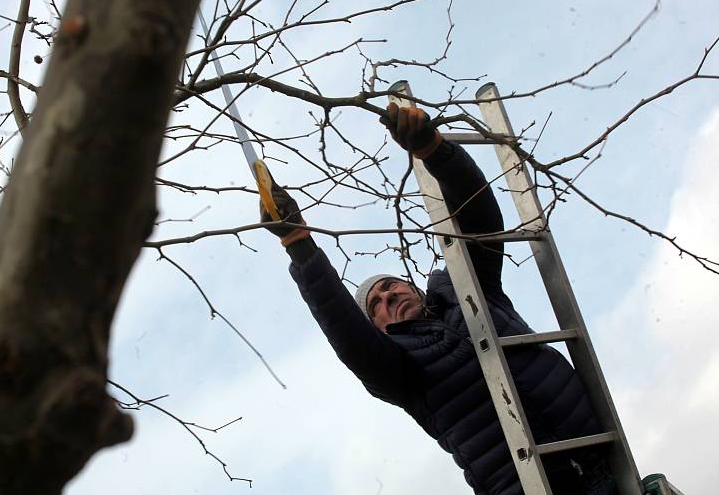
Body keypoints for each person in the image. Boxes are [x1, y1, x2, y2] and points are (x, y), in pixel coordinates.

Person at [261, 102, 616, 495]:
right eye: (375, 305)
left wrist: (434, 150)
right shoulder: (398, 369)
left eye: (390, 286)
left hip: (606, 457)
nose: (387, 297)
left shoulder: (469, 290)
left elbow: (479, 219)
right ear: (378, 328)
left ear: (412, 286)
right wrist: (299, 244)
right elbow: (344, 330)